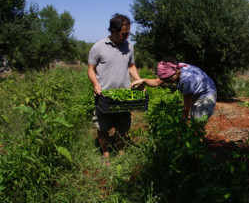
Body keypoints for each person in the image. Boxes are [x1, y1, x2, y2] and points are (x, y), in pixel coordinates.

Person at [88, 14, 142, 161]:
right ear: (113, 29)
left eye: (128, 33)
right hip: (104, 96)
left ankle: (121, 151)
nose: (127, 36)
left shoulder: (129, 46)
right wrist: (96, 84)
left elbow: (131, 66)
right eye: (124, 33)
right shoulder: (98, 47)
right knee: (103, 127)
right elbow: (91, 69)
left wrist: (139, 80)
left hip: (124, 95)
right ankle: (105, 153)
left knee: (122, 126)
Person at [130, 57, 217, 121]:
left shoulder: (187, 80)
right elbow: (156, 82)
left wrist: (182, 122)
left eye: (168, 80)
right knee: (194, 119)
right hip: (197, 93)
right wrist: (143, 81)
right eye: (165, 80)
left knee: (198, 124)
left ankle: (198, 144)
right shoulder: (174, 68)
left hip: (206, 95)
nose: (167, 83)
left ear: (174, 73)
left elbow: (187, 106)